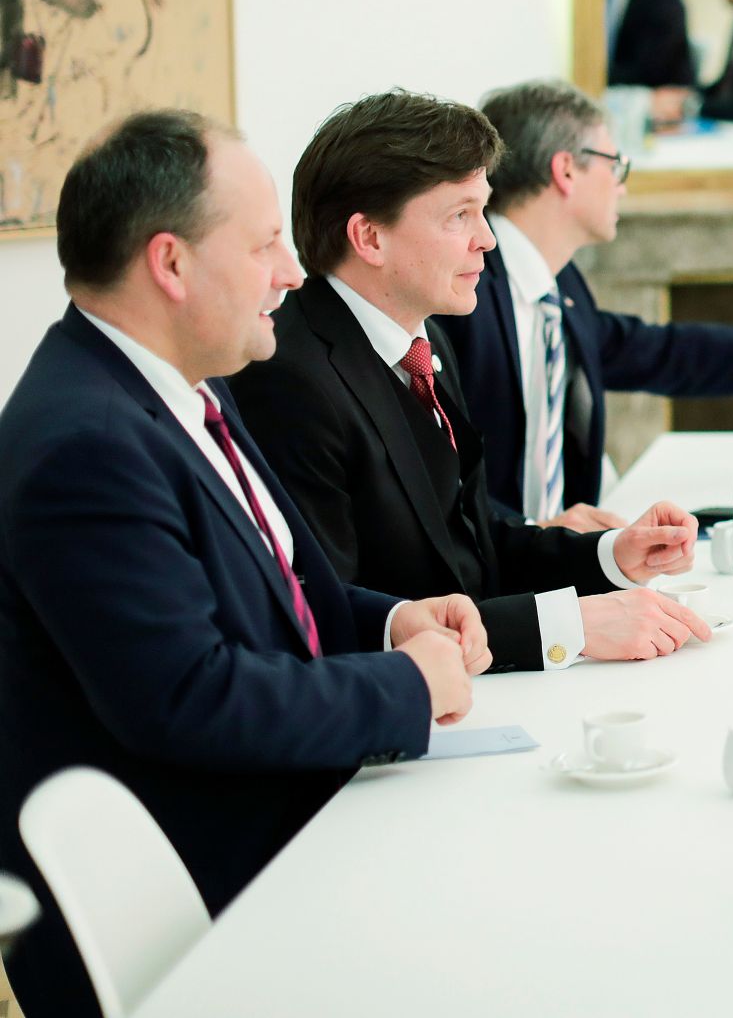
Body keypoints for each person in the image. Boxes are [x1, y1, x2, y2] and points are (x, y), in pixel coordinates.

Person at [0, 111, 484, 1018]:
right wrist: (403, 686)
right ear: (171, 263)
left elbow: (282, 595)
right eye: (265, 244)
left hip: (278, 827)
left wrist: (389, 621)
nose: (293, 273)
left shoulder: (179, 384)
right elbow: (190, 700)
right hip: (205, 900)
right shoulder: (83, 443)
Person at [228, 90, 711, 672]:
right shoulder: (287, 377)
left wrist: (613, 555)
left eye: (483, 211)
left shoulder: (421, 340)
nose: (488, 239)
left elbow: (475, 546)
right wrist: (569, 627)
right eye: (460, 215)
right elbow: (333, 614)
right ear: (370, 238)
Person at [436, 78, 733, 531]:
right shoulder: (461, 295)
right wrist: (531, 532)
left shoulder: (559, 288)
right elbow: (429, 474)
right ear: (566, 170)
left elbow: (664, 352)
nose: (622, 184)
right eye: (615, 164)